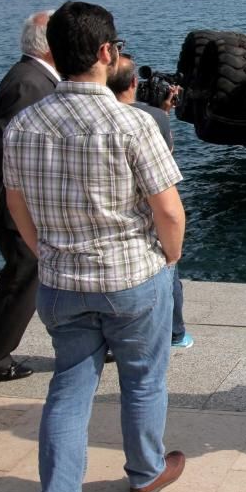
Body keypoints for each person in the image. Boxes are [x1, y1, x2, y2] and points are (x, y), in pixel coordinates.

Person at [3, 1, 187, 492]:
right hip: (132, 278)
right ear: (106, 52)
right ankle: (146, 474)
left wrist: (47, 252)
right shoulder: (132, 124)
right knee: (144, 381)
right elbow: (169, 212)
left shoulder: (24, 125)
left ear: (55, 54)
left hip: (62, 282)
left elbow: (18, 208)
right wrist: (169, 260)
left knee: (70, 384)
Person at [0, 10, 59, 382]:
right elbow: (7, 145)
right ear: (51, 46)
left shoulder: (35, 78)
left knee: (38, 273)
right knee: (23, 275)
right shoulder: (29, 83)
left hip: (21, 199)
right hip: (14, 203)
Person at [107, 54, 193, 351]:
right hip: (144, 220)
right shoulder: (151, 118)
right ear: (133, 82)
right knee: (170, 276)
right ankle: (176, 333)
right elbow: (163, 169)